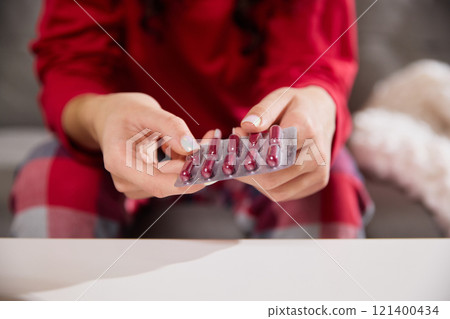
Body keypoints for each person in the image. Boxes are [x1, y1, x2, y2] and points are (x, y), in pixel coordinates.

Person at [10, 0, 372, 238]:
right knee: (52, 176)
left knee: (327, 182)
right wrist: (101, 118)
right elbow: (71, 69)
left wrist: (315, 104)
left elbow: (315, 67)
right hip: (116, 152)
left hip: (255, 153)